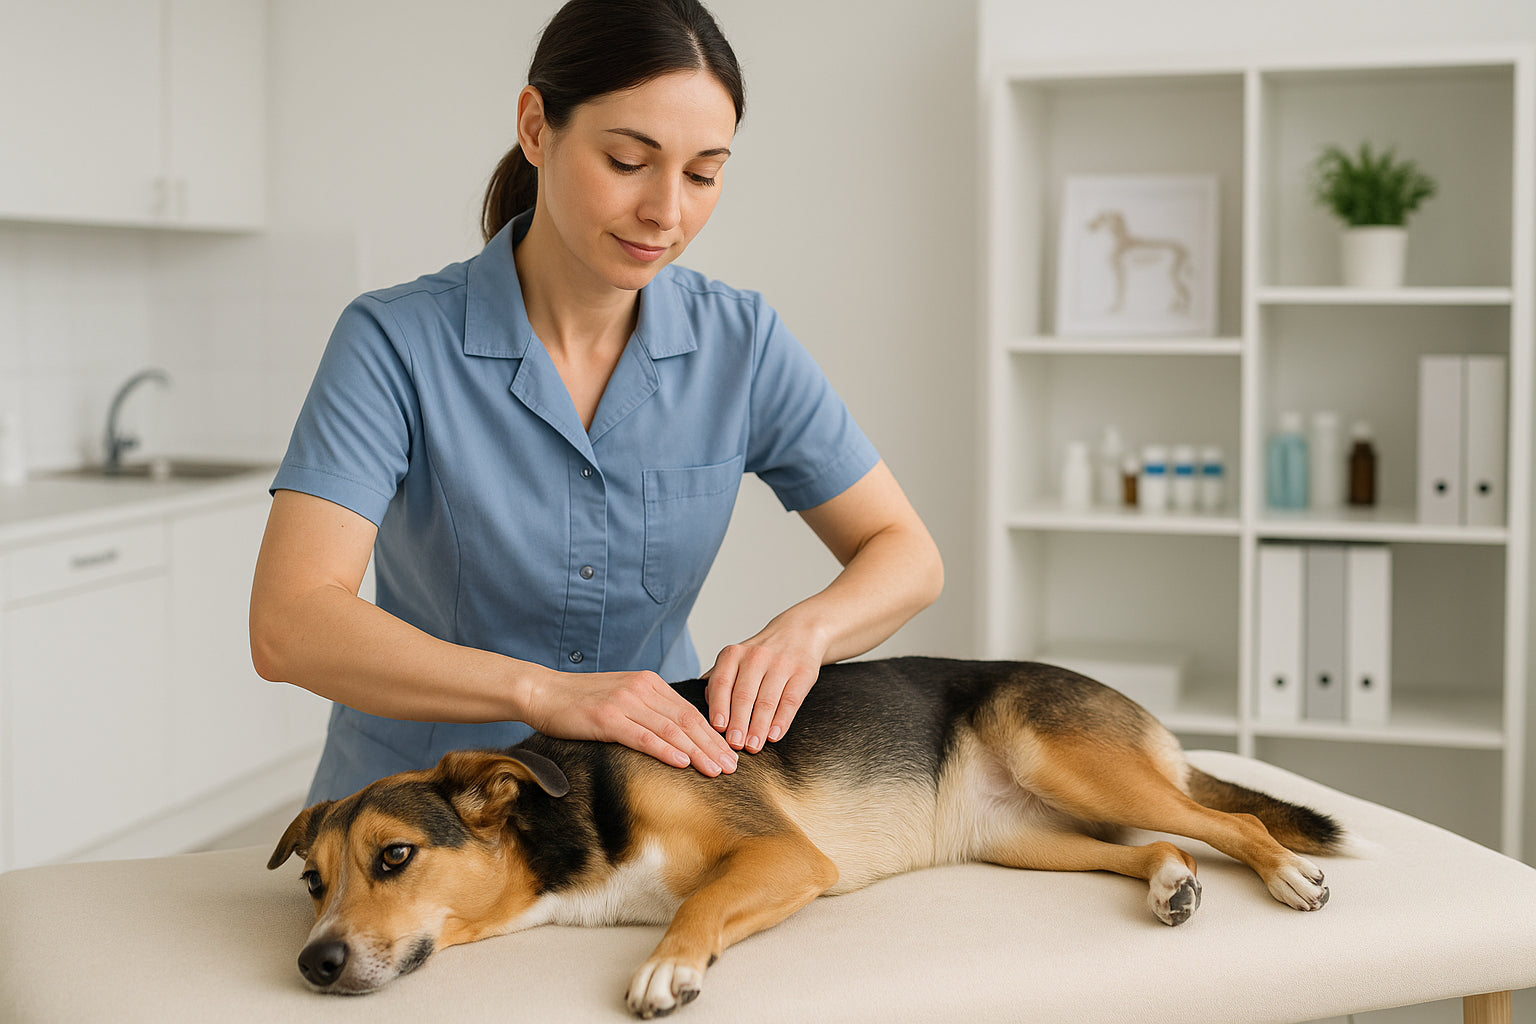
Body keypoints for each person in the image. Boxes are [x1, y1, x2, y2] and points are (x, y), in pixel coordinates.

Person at [249, 0, 944, 805]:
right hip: (414, 815)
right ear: (537, 127)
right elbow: (291, 622)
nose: (667, 212)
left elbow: (906, 552)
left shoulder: (740, 342)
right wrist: (542, 693)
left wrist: (805, 634)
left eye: (703, 173)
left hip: (633, 812)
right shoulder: (393, 340)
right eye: (627, 161)